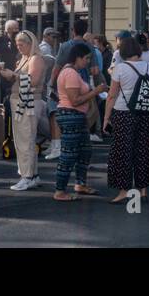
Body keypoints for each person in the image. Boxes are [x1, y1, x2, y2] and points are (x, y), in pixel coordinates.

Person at [103, 35, 149, 204]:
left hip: (124, 112)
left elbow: (112, 95)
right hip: (146, 112)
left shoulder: (120, 68)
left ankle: (124, 191)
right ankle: (143, 191)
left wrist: (106, 117)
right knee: (144, 149)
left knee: (122, 151)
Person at [53, 41, 102, 202]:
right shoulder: (71, 74)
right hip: (70, 115)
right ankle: (60, 190)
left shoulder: (73, 72)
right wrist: (96, 91)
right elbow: (75, 100)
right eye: (86, 58)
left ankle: (80, 184)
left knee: (85, 151)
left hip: (75, 116)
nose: (88, 62)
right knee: (69, 153)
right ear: (77, 58)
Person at [0, 30, 48, 190]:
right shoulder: (26, 58)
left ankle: (27, 176)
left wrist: (13, 76)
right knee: (25, 140)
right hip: (22, 101)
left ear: (30, 43)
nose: (18, 47)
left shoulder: (35, 59)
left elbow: (33, 81)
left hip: (27, 102)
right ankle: (32, 175)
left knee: (25, 140)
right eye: (17, 44)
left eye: (21, 44)